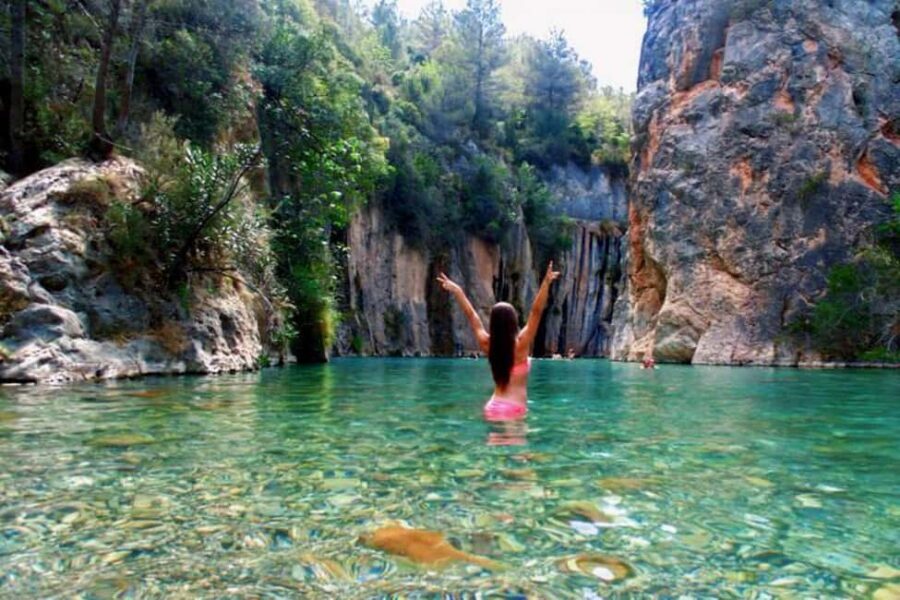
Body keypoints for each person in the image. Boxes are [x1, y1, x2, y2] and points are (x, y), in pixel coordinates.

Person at [437, 262, 560, 421]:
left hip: (493, 407)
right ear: (513, 322)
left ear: (493, 324)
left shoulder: (488, 344)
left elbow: (472, 316)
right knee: (517, 446)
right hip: (513, 409)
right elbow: (536, 312)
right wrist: (546, 283)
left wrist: (457, 291)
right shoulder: (521, 344)